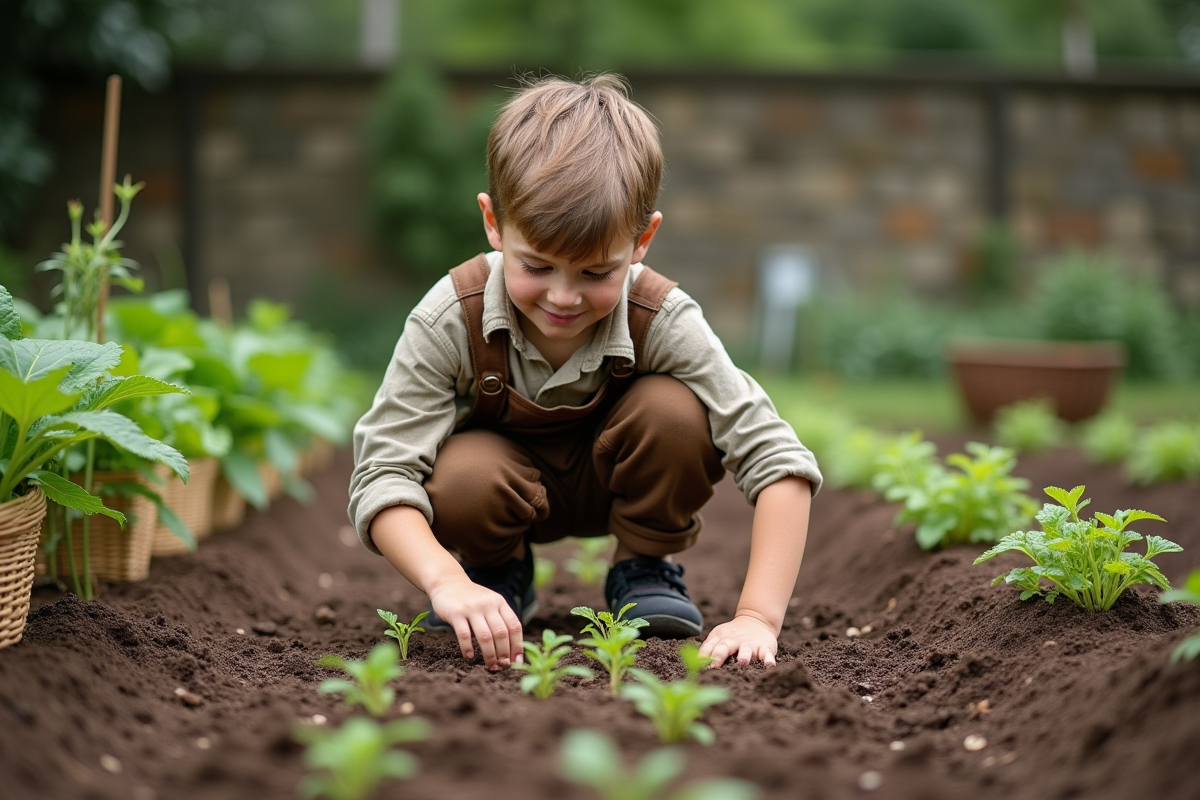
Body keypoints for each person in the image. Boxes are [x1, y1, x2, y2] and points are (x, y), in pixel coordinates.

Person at [348, 73, 821, 673]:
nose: (563, 297)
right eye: (536, 266)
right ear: (493, 224)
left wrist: (757, 616)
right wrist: (444, 579)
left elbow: (778, 461)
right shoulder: (450, 317)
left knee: (674, 413)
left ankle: (642, 567)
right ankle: (492, 576)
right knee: (459, 472)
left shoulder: (662, 316)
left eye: (597, 273)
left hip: (619, 476)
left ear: (642, 238)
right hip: (498, 490)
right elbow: (383, 474)